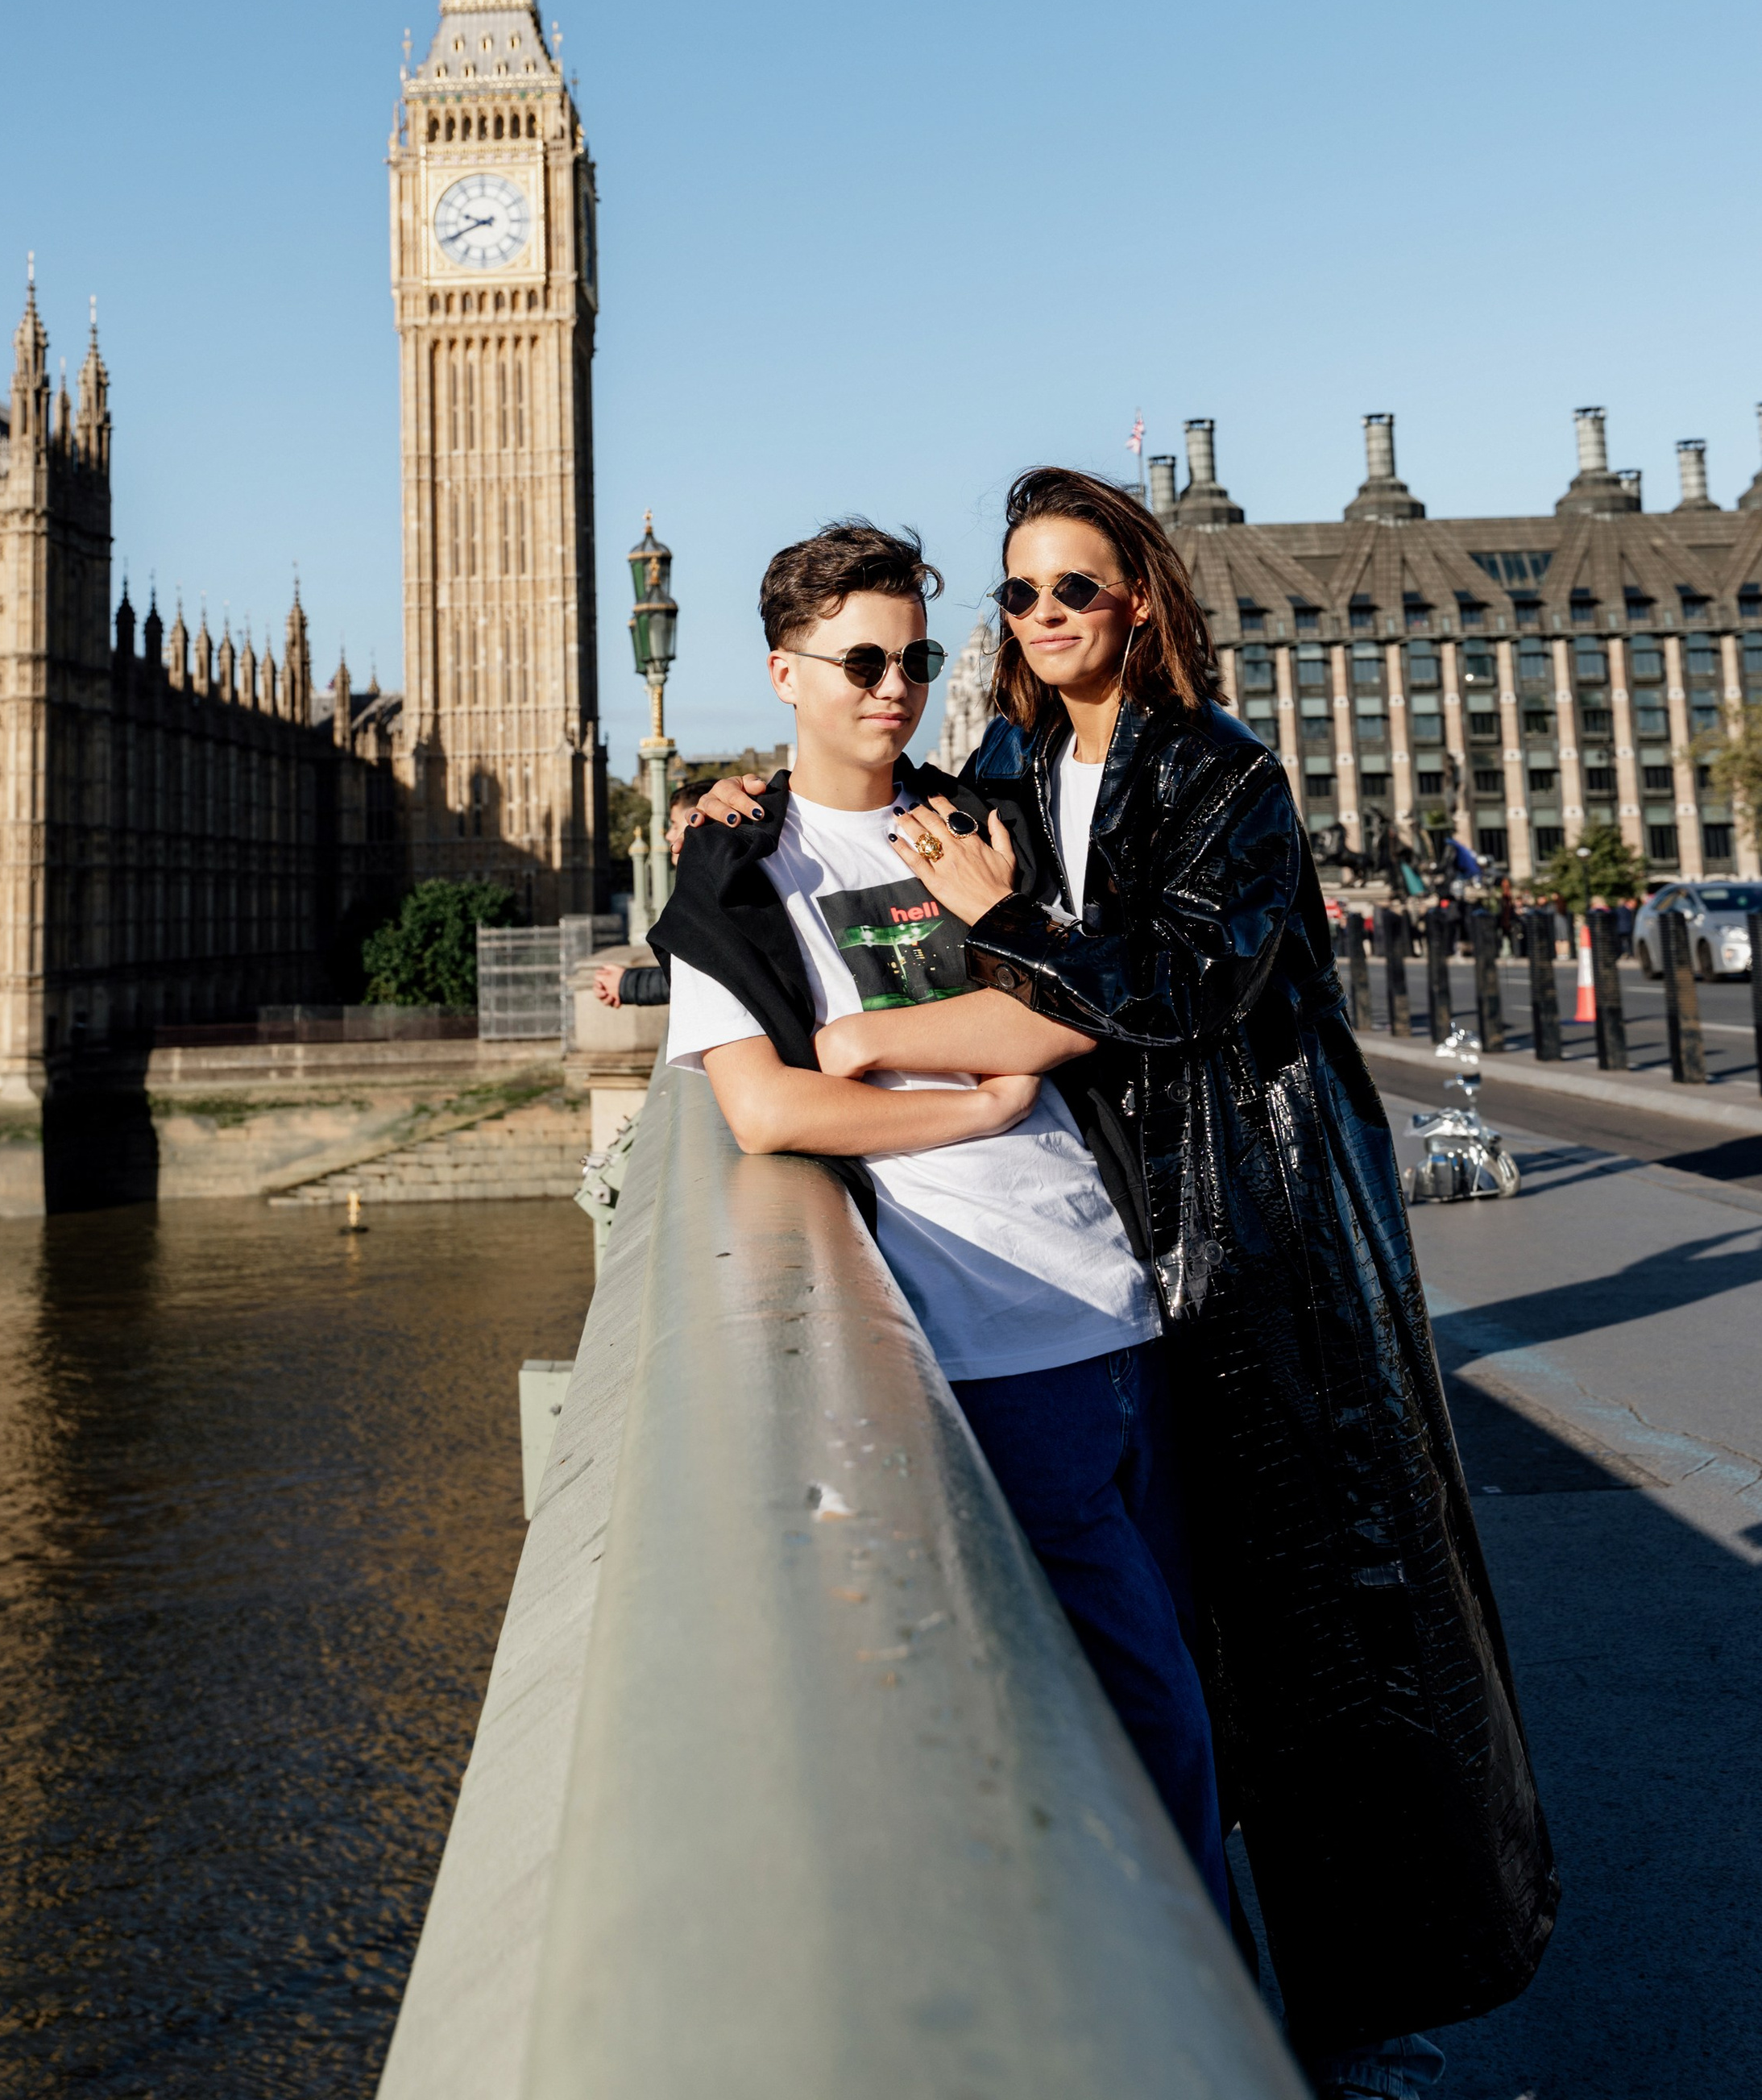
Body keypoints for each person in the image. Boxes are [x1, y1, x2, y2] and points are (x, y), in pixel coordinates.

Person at [688, 470, 1557, 2098]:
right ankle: (1216, 2005)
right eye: (1016, 593)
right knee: (1193, 1657)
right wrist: (721, 822)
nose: (1037, 618)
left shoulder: (1221, 774)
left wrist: (971, 949)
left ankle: (1368, 2013)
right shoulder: (1007, 768)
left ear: (1136, 598)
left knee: (1329, 1636)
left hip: (1256, 1236)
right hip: (1127, 1246)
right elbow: (845, 838)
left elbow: (1173, 984)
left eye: (1069, 589)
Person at [652, 520, 1233, 1922]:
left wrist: (882, 1043)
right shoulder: (737, 870)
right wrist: (975, 1108)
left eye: (913, 660)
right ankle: (1202, 2004)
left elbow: (1091, 1007)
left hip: (1134, 1306)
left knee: (1201, 1684)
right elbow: (766, 1110)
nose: (893, 689)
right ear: (784, 673)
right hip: (994, 1348)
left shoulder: (983, 816)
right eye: (860, 662)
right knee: (1146, 1719)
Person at [591, 780, 714, 1006]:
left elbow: (704, 977)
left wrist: (630, 984)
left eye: (675, 825)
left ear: (698, 821)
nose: (668, 835)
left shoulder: (712, 890)